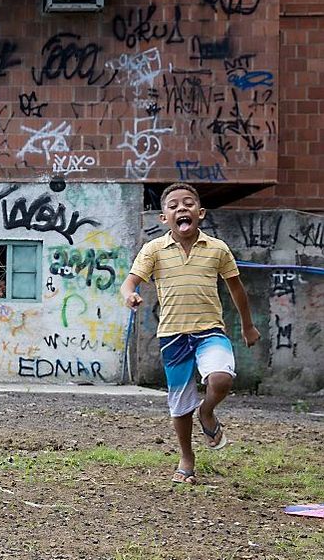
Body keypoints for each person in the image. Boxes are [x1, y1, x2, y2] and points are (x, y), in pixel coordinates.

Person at [120, 182, 260, 485]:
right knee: (180, 403)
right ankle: (187, 456)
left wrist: (248, 325)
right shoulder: (154, 249)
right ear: (163, 218)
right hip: (172, 336)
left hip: (210, 330)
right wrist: (130, 295)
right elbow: (129, 282)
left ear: (201, 213)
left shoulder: (217, 249)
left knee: (221, 378)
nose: (181, 208)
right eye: (172, 205)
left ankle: (207, 412)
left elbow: (237, 289)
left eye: (187, 203)